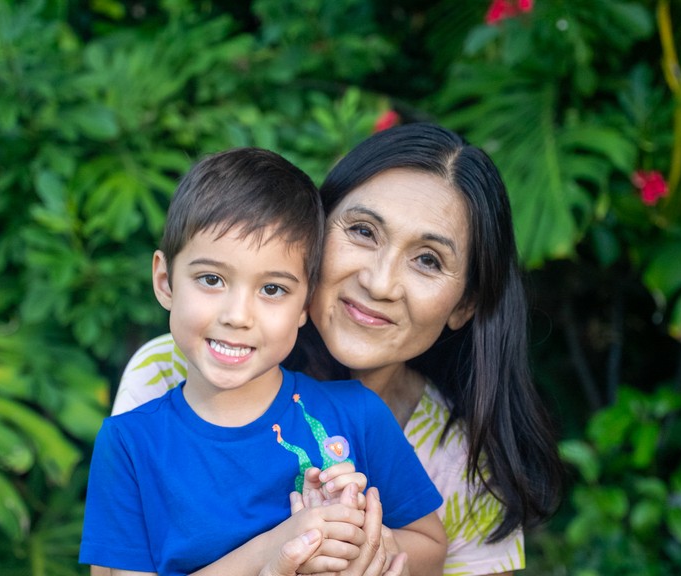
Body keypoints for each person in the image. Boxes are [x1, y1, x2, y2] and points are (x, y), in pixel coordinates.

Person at [115, 123, 565, 575]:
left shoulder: (463, 463)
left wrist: (362, 547)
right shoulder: (173, 371)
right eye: (364, 231)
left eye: (428, 259)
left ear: (465, 303)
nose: (379, 282)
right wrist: (279, 548)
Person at [80, 147, 447, 576]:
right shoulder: (128, 444)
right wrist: (276, 550)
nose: (238, 315)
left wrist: (352, 537)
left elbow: (431, 549)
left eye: (272, 289)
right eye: (211, 279)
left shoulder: (357, 413)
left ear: (305, 303)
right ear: (165, 281)